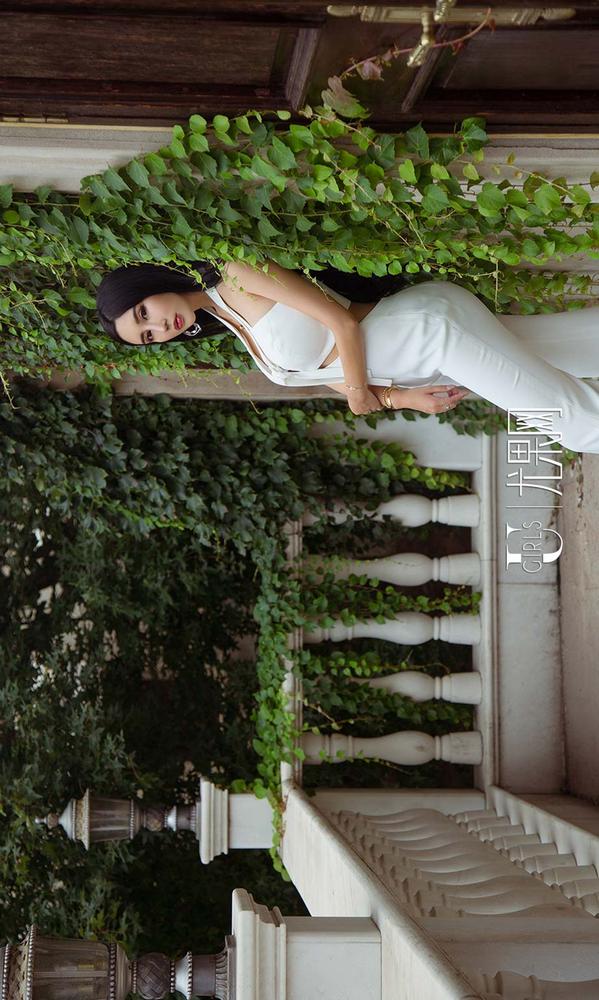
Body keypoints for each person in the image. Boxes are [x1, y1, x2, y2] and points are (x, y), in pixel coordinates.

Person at [97, 258, 599, 453]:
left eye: (144, 314)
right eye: (148, 337)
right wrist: (398, 398)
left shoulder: (237, 275)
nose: (158, 328)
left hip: (429, 332)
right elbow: (319, 368)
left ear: (147, 285)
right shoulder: (230, 321)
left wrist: (361, 395)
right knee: (574, 345)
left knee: (568, 421)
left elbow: (341, 323)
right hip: (424, 352)